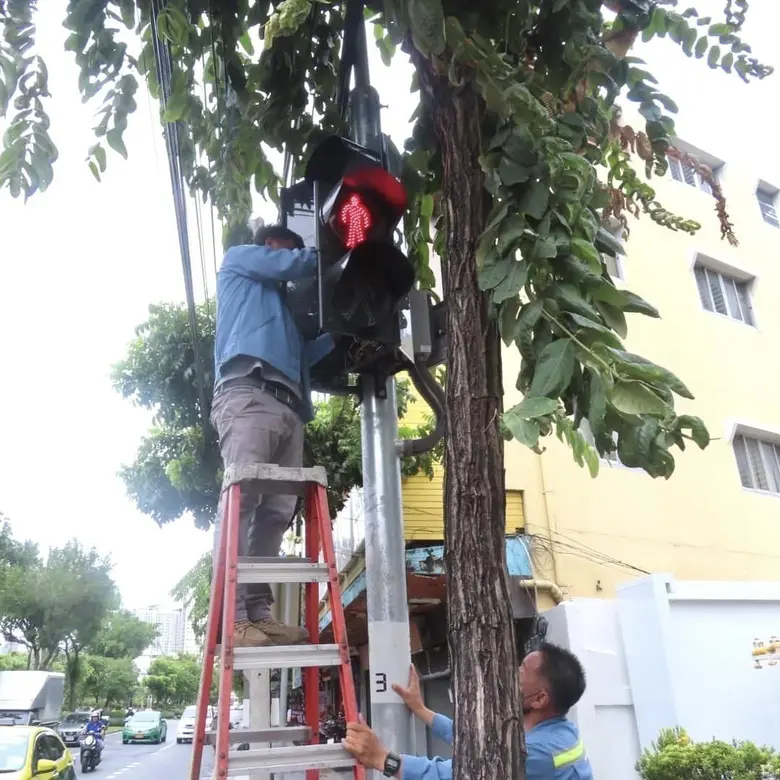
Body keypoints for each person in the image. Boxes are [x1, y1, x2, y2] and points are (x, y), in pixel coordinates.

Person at [212, 224, 334, 648]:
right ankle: (233, 619)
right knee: (242, 502)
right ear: (271, 245)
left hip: (289, 406)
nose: (291, 260)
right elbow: (295, 263)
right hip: (248, 390)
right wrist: (333, 254)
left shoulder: (288, 314)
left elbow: (312, 353)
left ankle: (259, 615)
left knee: (277, 512)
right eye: (289, 250)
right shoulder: (239, 259)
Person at [343, 643, 593, 780]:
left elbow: (453, 774)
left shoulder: (537, 754)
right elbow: (474, 743)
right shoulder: (556, 729)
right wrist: (420, 708)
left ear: (539, 699)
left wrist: (382, 759)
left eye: (519, 674)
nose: (509, 676)